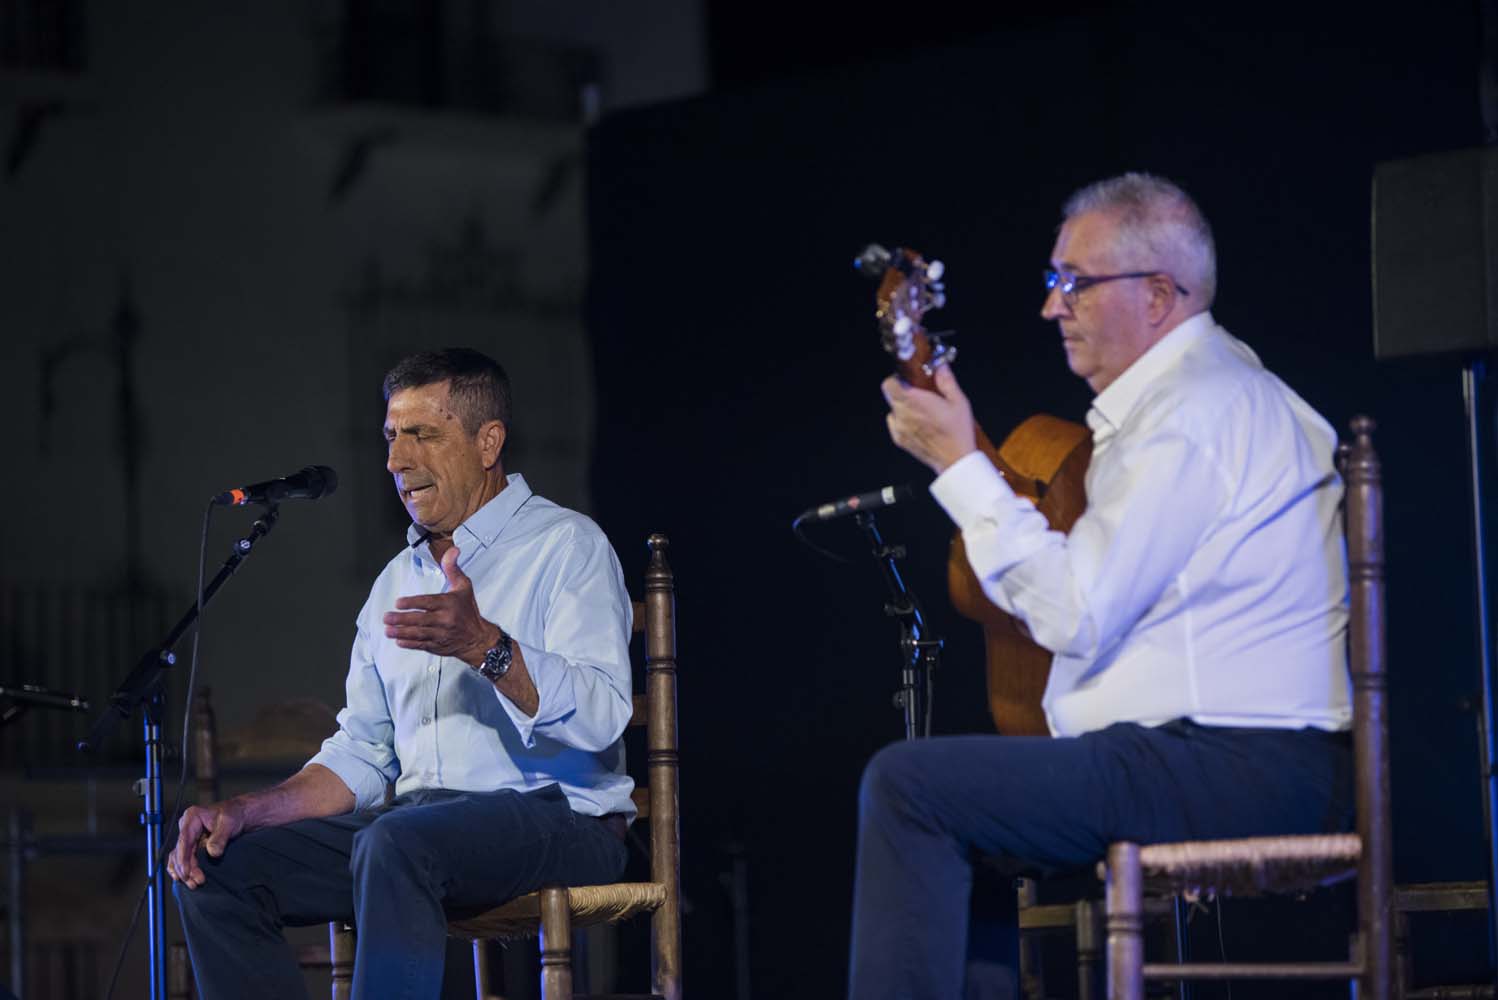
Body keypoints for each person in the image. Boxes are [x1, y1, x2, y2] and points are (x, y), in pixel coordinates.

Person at [850, 173, 1353, 999]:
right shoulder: (1190, 403)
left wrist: (960, 465)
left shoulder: (1196, 410)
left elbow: (1075, 613)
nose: (1052, 308)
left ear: (1159, 294)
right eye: (1054, 283)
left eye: (1073, 284)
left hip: (1238, 765)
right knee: (963, 814)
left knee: (908, 789)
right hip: (1203, 757)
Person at [171, 348, 635, 999]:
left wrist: (485, 646)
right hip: (414, 831)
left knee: (395, 842)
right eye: (391, 438)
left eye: (422, 435)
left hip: (562, 819)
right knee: (218, 868)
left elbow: (603, 716)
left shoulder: (567, 546)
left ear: (487, 442)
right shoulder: (396, 582)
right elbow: (364, 752)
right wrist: (251, 810)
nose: (395, 461)